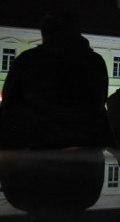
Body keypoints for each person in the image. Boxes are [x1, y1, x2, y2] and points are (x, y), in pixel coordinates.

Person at [0, 11, 111, 150]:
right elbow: (99, 105)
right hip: (86, 149)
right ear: (77, 31)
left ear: (45, 34)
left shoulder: (28, 60)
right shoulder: (96, 62)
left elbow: (9, 107)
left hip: (37, 149)